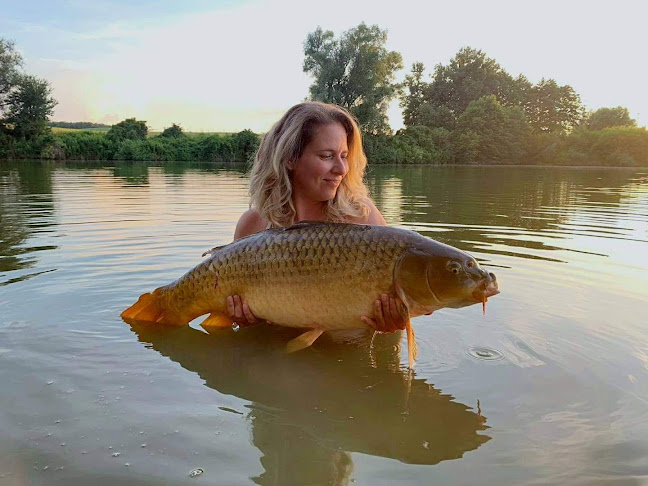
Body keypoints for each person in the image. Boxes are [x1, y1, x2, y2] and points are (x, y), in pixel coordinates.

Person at [227, 101, 406, 333]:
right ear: (290, 158)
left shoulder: (364, 219)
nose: (341, 169)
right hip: (275, 358)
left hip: (344, 359)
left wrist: (394, 326)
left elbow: (394, 326)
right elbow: (233, 323)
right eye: (327, 156)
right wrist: (244, 319)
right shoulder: (253, 224)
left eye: (344, 155)